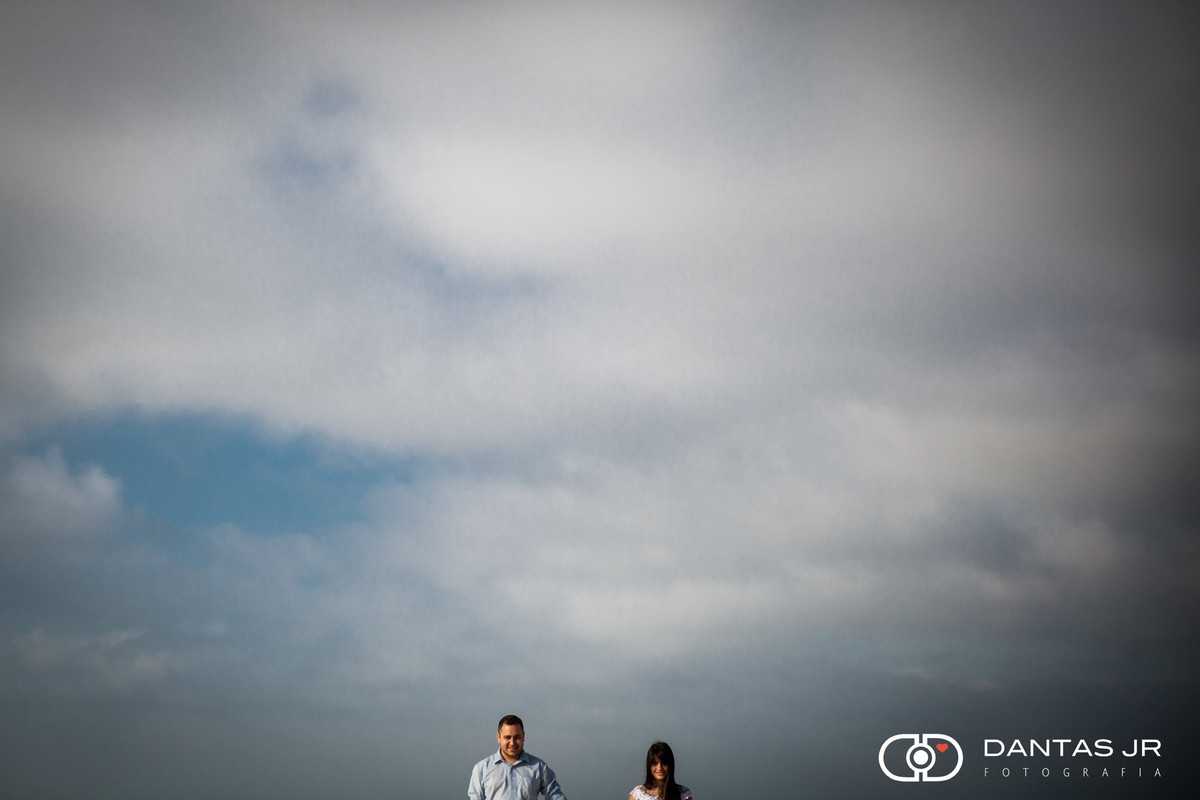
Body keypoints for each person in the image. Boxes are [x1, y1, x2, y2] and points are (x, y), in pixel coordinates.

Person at [469, 714, 567, 800]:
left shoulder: (538, 767)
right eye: (507, 737)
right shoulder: (482, 769)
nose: (512, 743)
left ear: (523, 736)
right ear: (499, 737)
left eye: (517, 737)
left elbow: (555, 795)